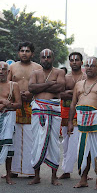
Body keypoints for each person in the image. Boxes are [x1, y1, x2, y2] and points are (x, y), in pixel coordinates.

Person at [68, 57, 97, 190]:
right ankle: (83, 179)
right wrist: (70, 122)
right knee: (83, 151)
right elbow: (73, 104)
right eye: (87, 65)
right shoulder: (78, 84)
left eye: (92, 65)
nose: (89, 67)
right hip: (81, 121)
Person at [28, 48, 65, 185]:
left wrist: (41, 86)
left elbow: (60, 88)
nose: (46, 59)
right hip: (38, 110)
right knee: (36, 141)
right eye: (43, 57)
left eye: (48, 57)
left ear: (52, 58)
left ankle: (54, 176)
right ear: (40, 58)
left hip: (53, 110)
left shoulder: (59, 72)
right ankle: (36, 176)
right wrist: (49, 84)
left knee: (53, 142)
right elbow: (31, 88)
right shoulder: (35, 73)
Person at [8, 42, 42, 177]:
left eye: (27, 51)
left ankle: (30, 169)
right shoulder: (12, 67)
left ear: (32, 54)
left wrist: (31, 94)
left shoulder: (38, 68)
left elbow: (41, 87)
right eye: (22, 51)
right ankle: (13, 170)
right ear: (18, 53)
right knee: (13, 137)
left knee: (31, 137)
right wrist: (16, 95)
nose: (24, 53)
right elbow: (7, 85)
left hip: (32, 105)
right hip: (15, 106)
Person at [58, 52, 87, 179]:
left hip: (82, 112)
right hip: (65, 111)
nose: (74, 62)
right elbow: (60, 95)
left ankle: (83, 170)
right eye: (72, 60)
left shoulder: (86, 77)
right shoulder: (65, 78)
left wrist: (71, 92)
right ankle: (66, 170)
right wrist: (76, 93)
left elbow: (88, 94)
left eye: (77, 60)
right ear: (69, 62)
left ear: (81, 62)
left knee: (81, 143)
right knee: (66, 143)